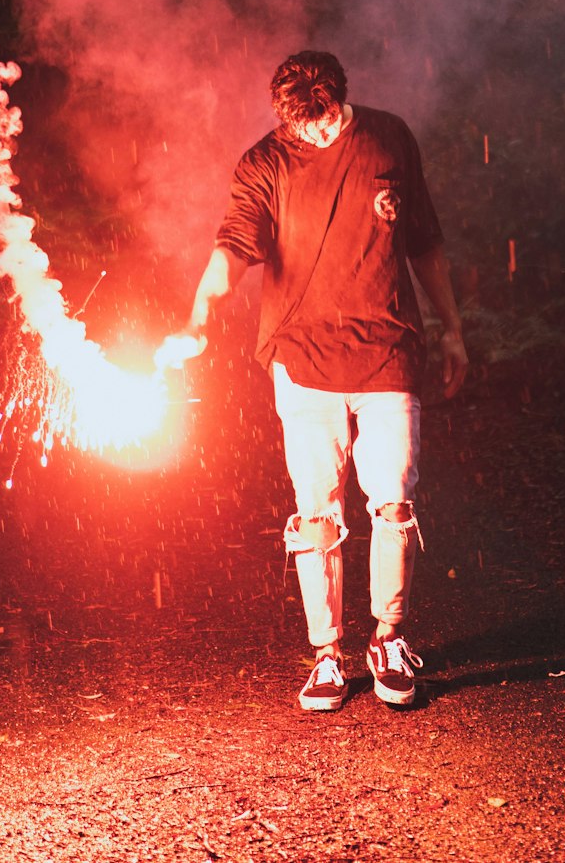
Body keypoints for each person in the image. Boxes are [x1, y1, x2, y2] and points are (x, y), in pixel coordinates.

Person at [183, 50, 469, 712]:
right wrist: (199, 316)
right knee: (317, 515)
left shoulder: (389, 137)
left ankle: (389, 640)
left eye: (325, 121)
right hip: (303, 363)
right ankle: (327, 656)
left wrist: (452, 328)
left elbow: (423, 241)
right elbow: (233, 245)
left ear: (342, 99)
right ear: (284, 114)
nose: (315, 134)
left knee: (395, 501)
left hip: (389, 353)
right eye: (302, 126)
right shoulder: (265, 163)